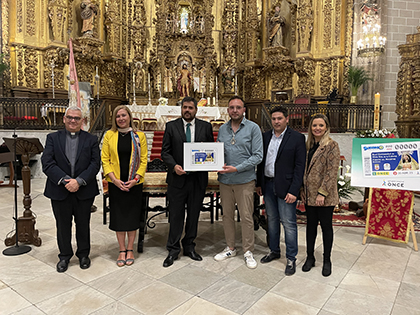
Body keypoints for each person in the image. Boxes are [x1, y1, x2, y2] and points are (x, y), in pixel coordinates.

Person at [41, 106, 100, 273]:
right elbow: (47, 162)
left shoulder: (91, 139)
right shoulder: (52, 138)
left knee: (83, 224)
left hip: (84, 190)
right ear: (64, 119)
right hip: (60, 190)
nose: (73, 120)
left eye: (77, 118)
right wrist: (66, 181)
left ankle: (83, 255)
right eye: (70, 117)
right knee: (62, 225)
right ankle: (64, 256)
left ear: (82, 121)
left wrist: (79, 181)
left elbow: (95, 164)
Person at [161, 96, 214, 267]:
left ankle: (189, 246)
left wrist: (210, 160)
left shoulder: (205, 127)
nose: (187, 110)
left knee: (193, 215)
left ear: (196, 110)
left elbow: (210, 151)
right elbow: (165, 152)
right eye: (185, 107)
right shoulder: (171, 126)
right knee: (176, 215)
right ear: (181, 109)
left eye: (191, 108)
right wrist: (174, 166)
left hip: (197, 179)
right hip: (177, 178)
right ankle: (173, 249)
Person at [214, 96, 263, 269]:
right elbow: (219, 152)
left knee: (246, 216)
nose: (235, 110)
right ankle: (231, 247)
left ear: (244, 110)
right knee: (227, 215)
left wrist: (237, 168)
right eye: (232, 107)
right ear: (228, 110)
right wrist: (215, 163)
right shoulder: (222, 129)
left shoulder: (253, 128)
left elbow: (258, 155)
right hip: (225, 181)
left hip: (244, 180)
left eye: (238, 107)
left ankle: (248, 251)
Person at [256, 107, 306, 276]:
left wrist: (294, 190)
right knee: (272, 220)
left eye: (279, 118)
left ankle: (291, 257)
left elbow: (300, 167)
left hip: (286, 188)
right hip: (268, 184)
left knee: (289, 223)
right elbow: (261, 162)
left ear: (287, 119)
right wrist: (259, 183)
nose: (276, 121)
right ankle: (274, 250)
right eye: (274, 119)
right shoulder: (265, 136)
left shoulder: (297, 138)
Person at [101, 105, 148, 267]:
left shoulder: (138, 135)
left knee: (132, 216)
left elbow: (143, 160)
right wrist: (114, 180)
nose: (121, 118)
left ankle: (130, 249)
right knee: (119, 217)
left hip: (133, 183)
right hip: (116, 183)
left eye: (123, 115)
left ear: (129, 117)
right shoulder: (109, 135)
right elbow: (105, 159)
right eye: (117, 116)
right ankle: (121, 250)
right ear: (115, 119)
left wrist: (135, 179)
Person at [301, 113, 340, 277]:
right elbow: (303, 169)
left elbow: (332, 173)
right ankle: (310, 257)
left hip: (325, 197)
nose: (317, 128)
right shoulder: (307, 145)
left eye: (321, 125)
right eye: (314, 125)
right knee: (310, 227)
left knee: (326, 228)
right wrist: (302, 190)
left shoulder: (332, 145)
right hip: (309, 195)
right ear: (311, 128)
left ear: (326, 128)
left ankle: (327, 260)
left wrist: (321, 194)